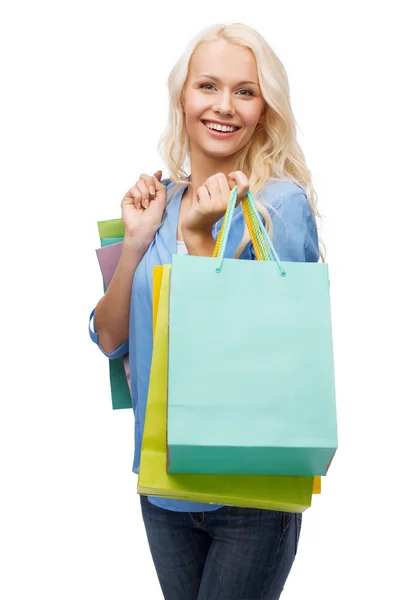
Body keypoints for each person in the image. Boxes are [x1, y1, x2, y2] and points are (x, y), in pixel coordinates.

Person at [89, 22, 323, 600]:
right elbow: (110, 340)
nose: (224, 106)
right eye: (208, 86)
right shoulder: (158, 203)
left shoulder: (279, 206)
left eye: (245, 91)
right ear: (183, 98)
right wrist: (139, 242)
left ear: (265, 109)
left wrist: (198, 242)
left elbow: (269, 355)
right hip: (162, 486)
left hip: (248, 491)